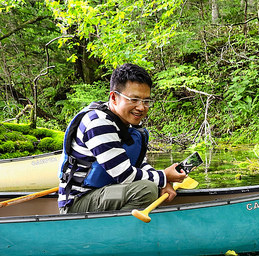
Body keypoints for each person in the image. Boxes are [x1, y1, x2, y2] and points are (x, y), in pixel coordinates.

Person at [58, 63, 186, 214]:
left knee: (152, 186)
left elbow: (139, 165)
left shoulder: (127, 122)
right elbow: (125, 175)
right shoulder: (98, 122)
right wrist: (163, 177)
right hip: (79, 202)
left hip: (106, 192)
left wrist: (162, 182)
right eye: (134, 99)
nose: (141, 107)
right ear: (114, 97)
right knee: (146, 190)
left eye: (146, 101)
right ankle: (116, 232)